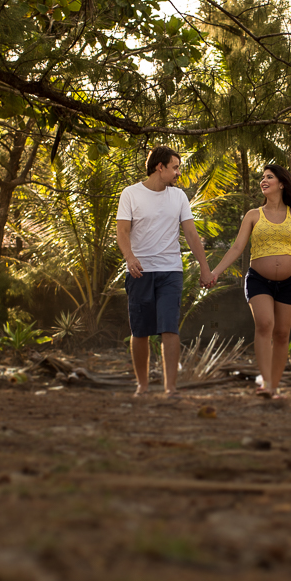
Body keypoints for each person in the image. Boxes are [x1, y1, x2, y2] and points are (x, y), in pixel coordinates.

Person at [210, 163, 291, 399]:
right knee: (265, 325)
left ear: (281, 183)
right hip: (259, 280)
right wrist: (215, 272)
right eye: (262, 177)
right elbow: (237, 247)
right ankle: (266, 381)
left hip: (290, 282)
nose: (264, 180)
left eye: (269, 177)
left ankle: (273, 387)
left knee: (281, 334)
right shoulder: (253, 215)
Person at [117, 145, 213, 396]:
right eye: (175, 167)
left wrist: (205, 268)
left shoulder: (179, 197)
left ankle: (171, 388)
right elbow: (122, 232)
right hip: (140, 272)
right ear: (160, 167)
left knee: (170, 328)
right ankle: (143, 386)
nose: (178, 173)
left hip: (171, 271)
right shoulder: (130, 194)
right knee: (140, 331)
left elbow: (191, 234)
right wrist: (129, 257)